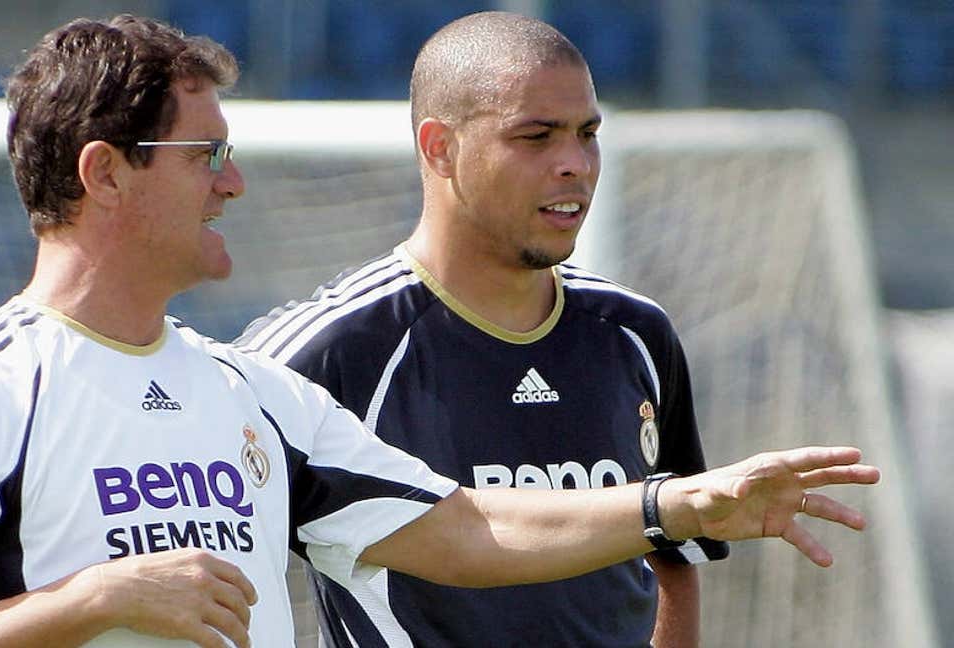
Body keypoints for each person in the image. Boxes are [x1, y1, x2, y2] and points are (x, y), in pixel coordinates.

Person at [0, 13, 878, 648]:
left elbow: (466, 531)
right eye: (206, 156)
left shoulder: (253, 396)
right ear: (106, 172)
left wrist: (680, 501)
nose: (235, 183)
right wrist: (92, 601)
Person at [235, 11, 812, 648]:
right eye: (536, 137)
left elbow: (674, 554)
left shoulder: (635, 332)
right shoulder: (328, 350)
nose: (576, 164)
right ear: (440, 148)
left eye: (587, 134)